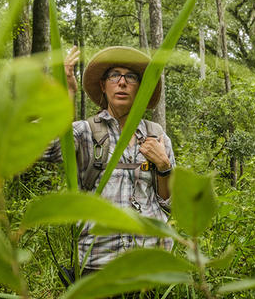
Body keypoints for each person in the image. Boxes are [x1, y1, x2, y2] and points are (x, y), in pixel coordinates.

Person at [44, 45, 175, 272]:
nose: (122, 82)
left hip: (152, 264)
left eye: (131, 77)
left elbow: (170, 203)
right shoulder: (85, 132)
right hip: (98, 264)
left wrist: (163, 166)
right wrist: (66, 96)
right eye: (115, 75)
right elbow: (46, 149)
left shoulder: (157, 136)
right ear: (103, 86)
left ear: (141, 87)